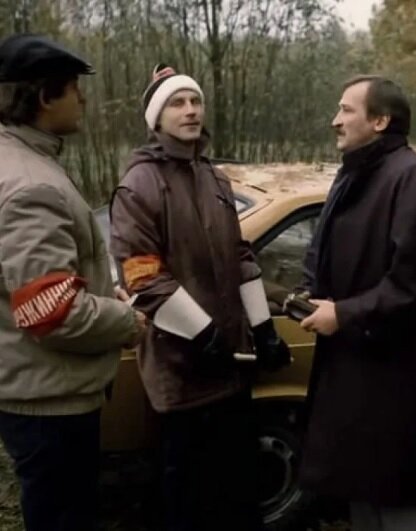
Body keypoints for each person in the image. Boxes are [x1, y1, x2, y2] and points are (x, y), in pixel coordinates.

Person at [109, 64, 289, 531]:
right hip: (180, 374)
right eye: (177, 103)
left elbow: (240, 256)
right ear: (156, 118)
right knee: (188, 500)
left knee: (237, 494)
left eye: (196, 101)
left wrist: (263, 329)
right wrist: (203, 333)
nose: (190, 110)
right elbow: (144, 277)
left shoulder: (214, 178)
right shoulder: (139, 185)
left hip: (231, 370)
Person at [0, 34, 148, 531]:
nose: (82, 99)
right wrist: (126, 321)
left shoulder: (19, 160)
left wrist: (100, 292)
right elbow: (52, 312)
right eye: (74, 89)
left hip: (33, 387)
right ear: (45, 97)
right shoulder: (31, 186)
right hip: (50, 404)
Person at [298, 75, 416, 531]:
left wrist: (342, 314)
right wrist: (312, 290)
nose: (335, 120)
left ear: (380, 121)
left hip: (396, 376)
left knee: (398, 497)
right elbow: (324, 247)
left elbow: (415, 284)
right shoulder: (356, 171)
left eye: (346, 110)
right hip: (354, 363)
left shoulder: (411, 179)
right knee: (362, 489)